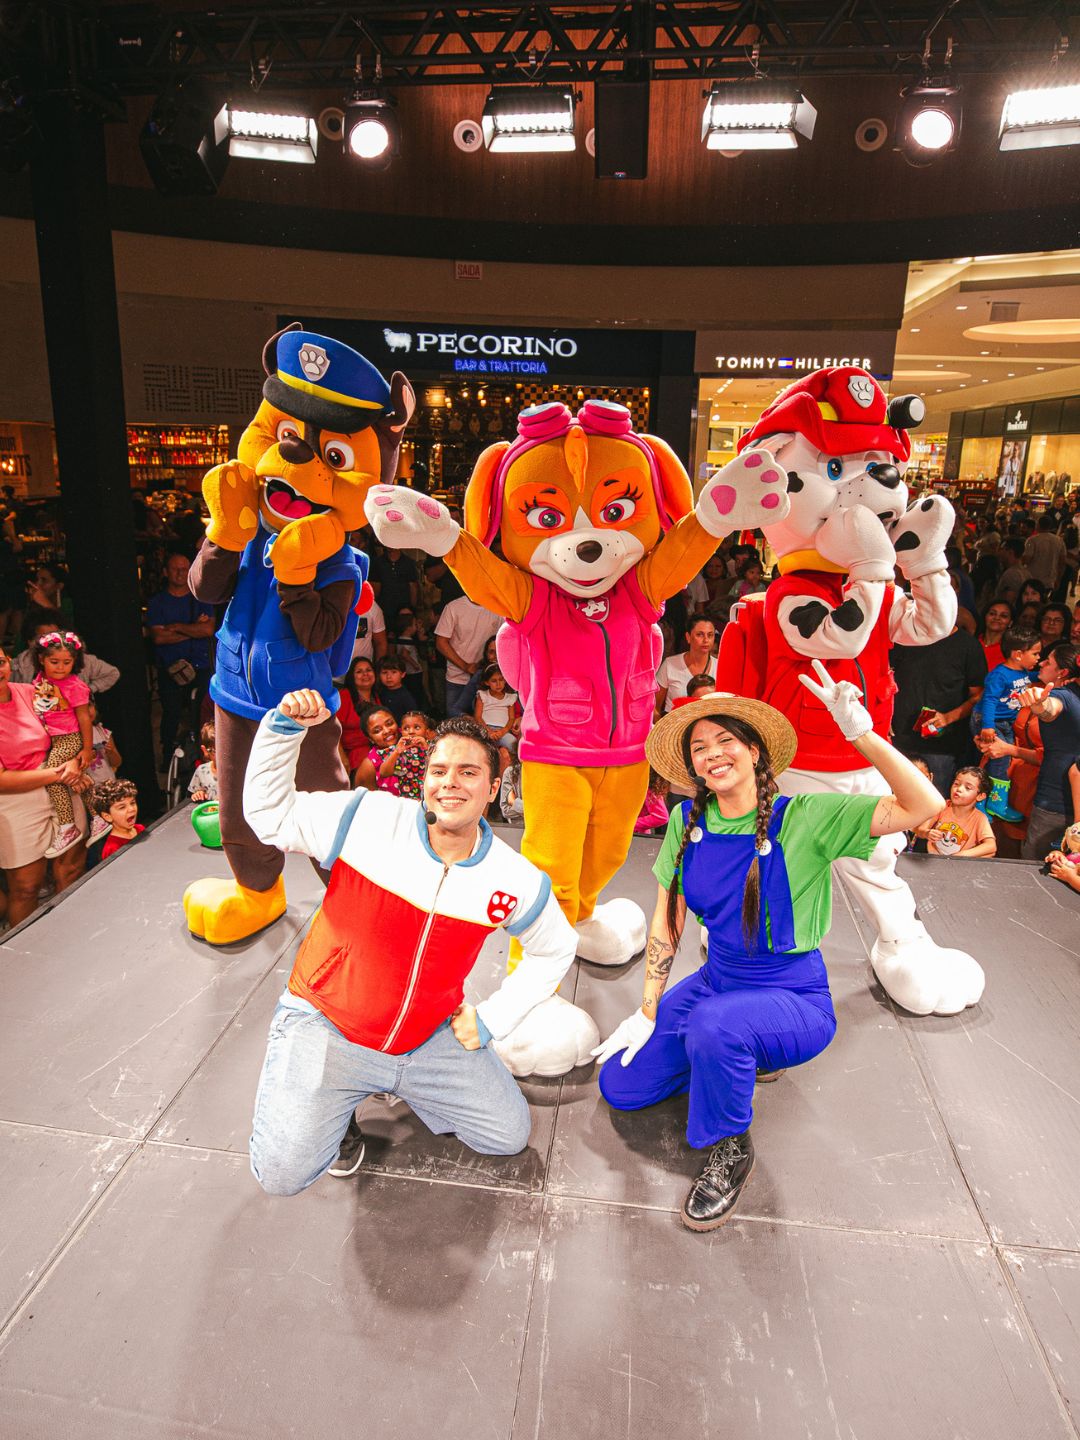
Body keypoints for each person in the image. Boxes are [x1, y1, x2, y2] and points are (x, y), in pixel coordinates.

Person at [592, 667, 943, 1232]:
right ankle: (731, 1057)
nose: (712, 755)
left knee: (715, 1027)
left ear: (754, 750)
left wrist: (861, 733)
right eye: (699, 748)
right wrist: (649, 1006)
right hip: (718, 982)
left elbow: (923, 805)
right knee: (624, 1087)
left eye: (725, 740)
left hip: (792, 994)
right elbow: (667, 918)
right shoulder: (686, 820)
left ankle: (731, 1147)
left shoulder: (805, 817)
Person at [243, 701, 579, 1195]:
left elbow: (555, 947)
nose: (451, 782)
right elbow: (270, 817)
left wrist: (491, 1020)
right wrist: (282, 728)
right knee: (281, 1175)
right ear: (425, 781)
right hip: (328, 1023)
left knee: (505, 1136)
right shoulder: (366, 815)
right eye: (439, 770)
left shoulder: (514, 878)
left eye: (468, 772)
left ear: (492, 787)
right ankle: (339, 1109)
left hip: (427, 1036)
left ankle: (397, 1085)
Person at [0, 644, 87, 926]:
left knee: (71, 869)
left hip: (62, 780)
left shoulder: (31, 691)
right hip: (18, 798)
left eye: (0, 662)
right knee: (26, 887)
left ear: (9, 662)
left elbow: (75, 720)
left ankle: (69, 938)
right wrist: (60, 774)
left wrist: (75, 758)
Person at [29, 630, 105, 855]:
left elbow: (84, 718)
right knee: (77, 778)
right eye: (54, 662)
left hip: (69, 738)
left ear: (75, 662)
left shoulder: (75, 686)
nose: (60, 667)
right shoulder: (40, 680)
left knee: (53, 778)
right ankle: (98, 816)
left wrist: (87, 748)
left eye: (66, 662)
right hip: (51, 739)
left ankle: (68, 826)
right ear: (41, 659)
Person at [890, 622, 987, 796]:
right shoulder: (905, 638)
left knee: (933, 803)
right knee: (891, 801)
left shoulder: (968, 645)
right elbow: (885, 677)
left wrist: (948, 718)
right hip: (898, 738)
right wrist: (885, 715)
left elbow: (978, 695)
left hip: (941, 746)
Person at [146, 553, 215, 758]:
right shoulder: (157, 602)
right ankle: (168, 759)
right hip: (169, 668)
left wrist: (175, 628)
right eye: (175, 568)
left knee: (201, 718)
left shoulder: (200, 599)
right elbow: (158, 638)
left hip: (200, 667)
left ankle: (201, 759)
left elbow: (208, 630)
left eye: (185, 569)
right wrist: (193, 628)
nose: (180, 573)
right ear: (166, 572)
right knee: (171, 716)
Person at [972, 626, 1042, 822]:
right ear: (1018, 654)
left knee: (1004, 759)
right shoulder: (999, 674)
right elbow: (989, 700)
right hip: (989, 720)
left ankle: (986, 803)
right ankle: (992, 802)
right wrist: (987, 726)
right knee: (1000, 758)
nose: (1038, 658)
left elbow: (1033, 678)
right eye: (1035, 653)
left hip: (1004, 723)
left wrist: (1044, 673)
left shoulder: (1023, 673)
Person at [1018, 644, 1080, 860]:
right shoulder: (1065, 696)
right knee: (1036, 875)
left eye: (1049, 661)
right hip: (1057, 809)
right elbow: (1049, 709)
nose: (1042, 663)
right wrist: (1039, 703)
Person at [10, 608, 120, 695]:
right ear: (31, 642)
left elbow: (112, 673)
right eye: (45, 638)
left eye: (56, 636)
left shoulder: (83, 660)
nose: (52, 642)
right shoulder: (18, 667)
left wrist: (87, 690)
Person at [434, 594, 500, 716]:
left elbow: (504, 640)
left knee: (489, 723)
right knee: (455, 723)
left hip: (489, 679)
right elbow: (441, 642)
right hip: (457, 677)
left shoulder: (497, 607)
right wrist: (465, 666)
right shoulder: (453, 607)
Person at [915, 767, 997, 857]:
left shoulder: (979, 818)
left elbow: (991, 846)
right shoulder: (942, 806)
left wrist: (961, 856)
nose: (959, 789)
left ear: (980, 796)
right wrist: (927, 833)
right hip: (933, 859)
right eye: (956, 784)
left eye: (968, 788)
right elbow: (920, 830)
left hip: (959, 865)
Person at [654, 614, 716, 716]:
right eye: (699, 634)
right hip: (674, 725)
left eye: (710, 635)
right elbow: (654, 706)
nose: (706, 640)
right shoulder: (670, 664)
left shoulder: (721, 667)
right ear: (688, 637)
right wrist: (664, 728)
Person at [473, 662, 520, 775]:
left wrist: (503, 731)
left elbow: (511, 718)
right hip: (485, 729)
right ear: (486, 682)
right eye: (494, 681)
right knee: (481, 748)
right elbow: (478, 717)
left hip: (503, 731)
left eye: (501, 680)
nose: (498, 684)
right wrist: (488, 731)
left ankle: (514, 774)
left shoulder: (510, 697)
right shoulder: (483, 695)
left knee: (513, 743)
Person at [336, 656, 378, 777]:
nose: (365, 674)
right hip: (352, 754)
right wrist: (342, 756)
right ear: (351, 677)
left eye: (368, 670)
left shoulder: (376, 697)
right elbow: (332, 729)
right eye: (359, 672)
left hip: (373, 751)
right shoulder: (344, 696)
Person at [369, 544, 419, 631]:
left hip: (404, 609)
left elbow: (413, 587)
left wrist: (412, 609)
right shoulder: (377, 563)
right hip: (384, 609)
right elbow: (375, 588)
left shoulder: (409, 563)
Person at [94, 779, 144, 858]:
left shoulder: (140, 828)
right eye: (122, 807)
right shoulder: (111, 849)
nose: (131, 809)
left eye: (132, 803)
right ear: (108, 816)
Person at [1024, 513, 1066, 593]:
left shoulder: (1032, 540)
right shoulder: (1059, 541)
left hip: (1033, 579)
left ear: (1038, 525)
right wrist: (1058, 579)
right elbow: (1062, 562)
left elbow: (1026, 559)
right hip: (1050, 580)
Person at [375, 650, 421, 722]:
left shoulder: (405, 696)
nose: (389, 676)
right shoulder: (379, 691)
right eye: (384, 673)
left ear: (402, 674)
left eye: (394, 672)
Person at [87, 700, 121, 787]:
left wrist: (111, 752)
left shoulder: (102, 731)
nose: (87, 711)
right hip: (89, 789)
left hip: (110, 785)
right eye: (81, 709)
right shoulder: (73, 738)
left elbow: (117, 763)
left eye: (89, 705)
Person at [977, 599, 1013, 672]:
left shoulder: (1011, 650)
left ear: (1010, 623)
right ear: (985, 617)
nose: (997, 618)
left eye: (1003, 616)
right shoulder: (971, 643)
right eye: (992, 613)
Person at [189, 721, 219, 802]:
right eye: (216, 751)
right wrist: (198, 794)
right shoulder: (201, 771)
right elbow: (196, 793)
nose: (222, 755)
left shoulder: (236, 772)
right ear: (205, 750)